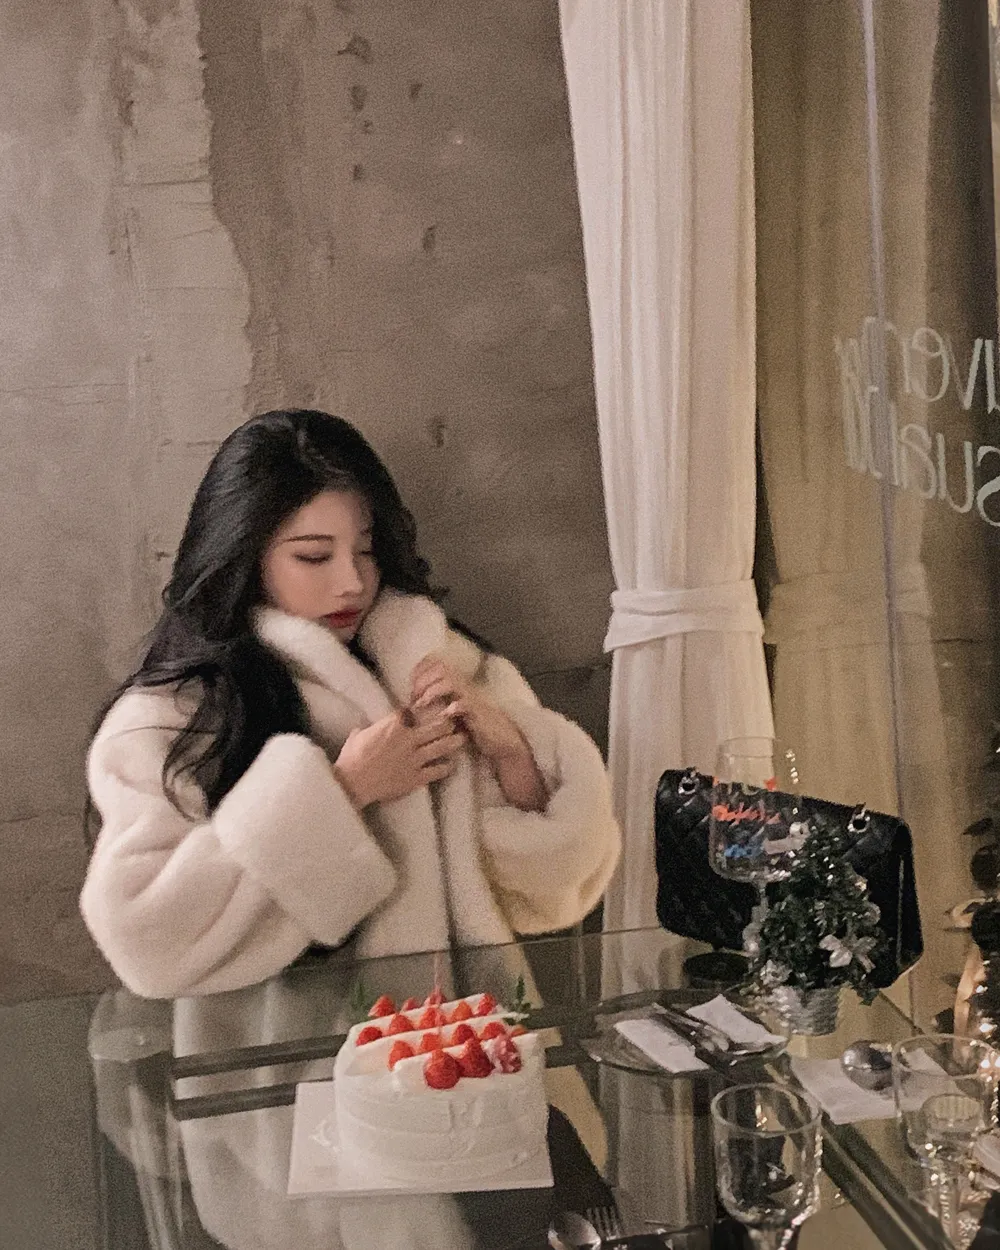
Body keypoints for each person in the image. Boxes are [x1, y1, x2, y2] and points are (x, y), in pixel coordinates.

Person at [81, 409, 621, 999]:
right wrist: (345, 790)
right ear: (244, 553)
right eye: (314, 556)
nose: (352, 582)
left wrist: (512, 750)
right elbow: (146, 944)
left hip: (471, 1043)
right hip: (294, 1057)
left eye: (365, 551)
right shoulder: (176, 718)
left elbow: (554, 898)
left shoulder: (451, 674)